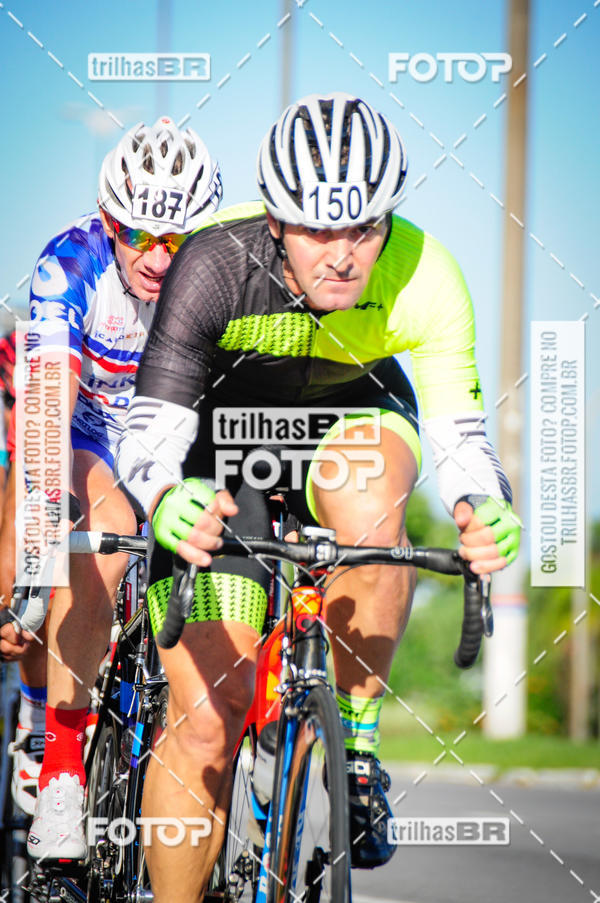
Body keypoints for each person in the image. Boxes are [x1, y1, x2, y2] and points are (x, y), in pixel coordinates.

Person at [115, 92, 521, 900]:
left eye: (365, 228)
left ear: (389, 221)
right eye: (315, 229)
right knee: (204, 720)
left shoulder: (428, 275)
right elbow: (151, 427)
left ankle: (357, 739)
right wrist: (164, 495)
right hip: (222, 442)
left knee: (374, 508)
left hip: (354, 421)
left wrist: (484, 505)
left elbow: (462, 440)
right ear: (274, 221)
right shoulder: (214, 261)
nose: (341, 254)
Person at [23, 117, 222, 859]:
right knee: (99, 545)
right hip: (87, 431)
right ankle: (64, 773)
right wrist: (35, 567)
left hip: (171, 436)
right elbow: (45, 416)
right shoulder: (69, 266)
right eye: (139, 234)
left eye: (177, 239)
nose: (157, 256)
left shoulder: (217, 273)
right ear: (109, 220)